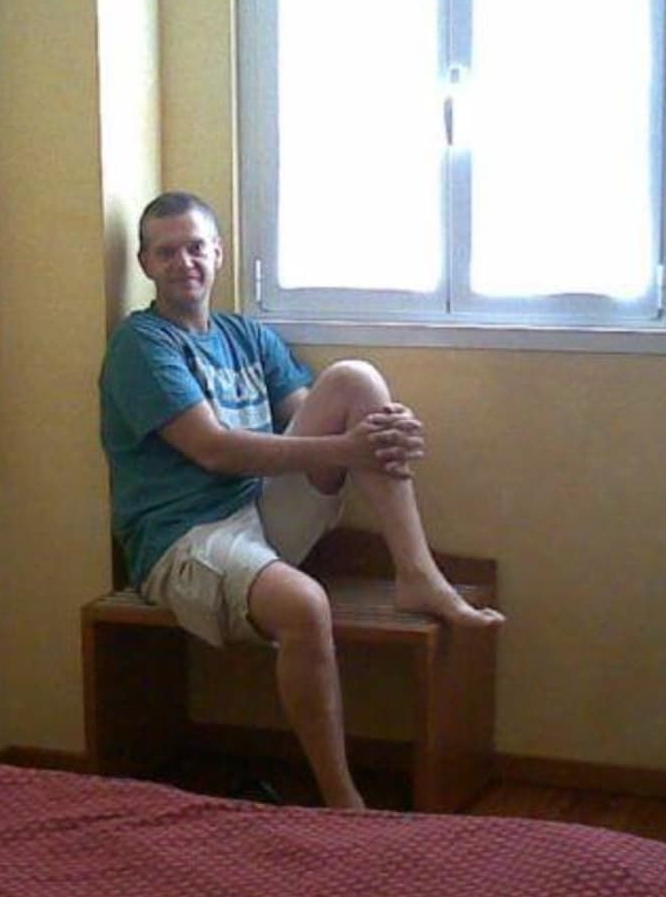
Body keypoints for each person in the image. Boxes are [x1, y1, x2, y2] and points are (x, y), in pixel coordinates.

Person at [99, 190, 503, 811]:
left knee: (355, 380)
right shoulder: (142, 344)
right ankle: (343, 803)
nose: (184, 262)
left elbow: (310, 415)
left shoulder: (244, 335)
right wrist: (352, 448)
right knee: (305, 604)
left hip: (262, 512)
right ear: (146, 263)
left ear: (218, 253)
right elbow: (213, 449)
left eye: (196, 248)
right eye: (167, 252)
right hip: (186, 538)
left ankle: (417, 575)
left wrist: (384, 430)